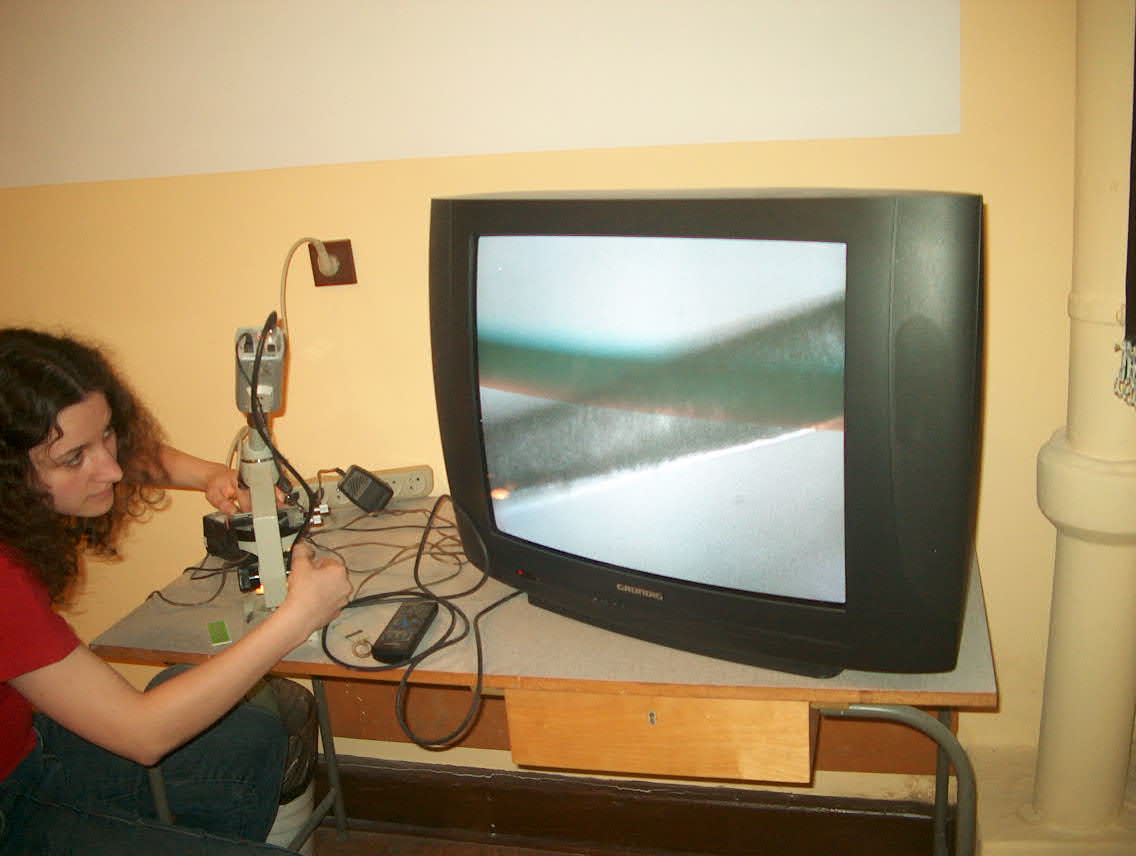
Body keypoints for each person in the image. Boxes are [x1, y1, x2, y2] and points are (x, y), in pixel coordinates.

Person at [0, 328, 352, 855]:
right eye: (74, 459)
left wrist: (211, 475)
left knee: (255, 740)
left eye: (107, 434)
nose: (111, 469)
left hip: (27, 745)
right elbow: (143, 735)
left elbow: (127, 456)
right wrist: (298, 617)